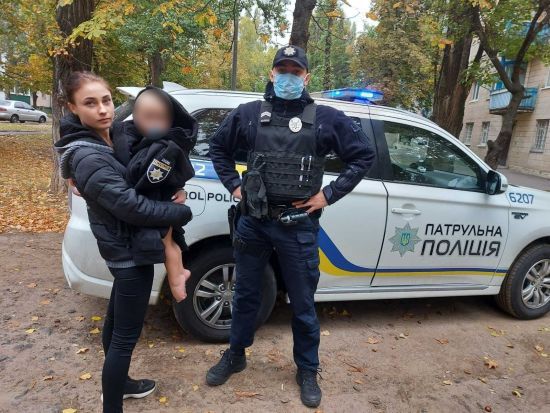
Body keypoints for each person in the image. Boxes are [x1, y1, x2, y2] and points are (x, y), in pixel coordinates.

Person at [206, 45, 376, 408]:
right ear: (271, 74)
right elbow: (218, 148)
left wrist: (329, 194)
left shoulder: (326, 119)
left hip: (298, 225)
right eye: (281, 70)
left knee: (302, 302)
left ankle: (307, 369)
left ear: (306, 77)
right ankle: (235, 355)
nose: (288, 77)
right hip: (254, 221)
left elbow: (363, 155)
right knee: (245, 294)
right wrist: (234, 185)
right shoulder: (250, 114)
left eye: (295, 71)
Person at [54, 71, 192, 413]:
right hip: (128, 255)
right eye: (90, 103)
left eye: (106, 100)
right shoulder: (88, 157)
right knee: (124, 339)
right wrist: (181, 212)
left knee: (115, 323)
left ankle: (123, 385)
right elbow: (133, 207)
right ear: (72, 108)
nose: (103, 109)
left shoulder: (111, 136)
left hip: (125, 248)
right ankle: (113, 404)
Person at [123, 85, 198, 302]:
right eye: (148, 117)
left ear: (171, 121)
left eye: (161, 119)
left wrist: (178, 188)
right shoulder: (130, 138)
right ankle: (179, 274)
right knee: (170, 242)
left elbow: (157, 174)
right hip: (154, 204)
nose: (154, 123)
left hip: (159, 201)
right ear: (135, 116)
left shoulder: (165, 146)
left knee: (167, 242)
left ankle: (177, 279)